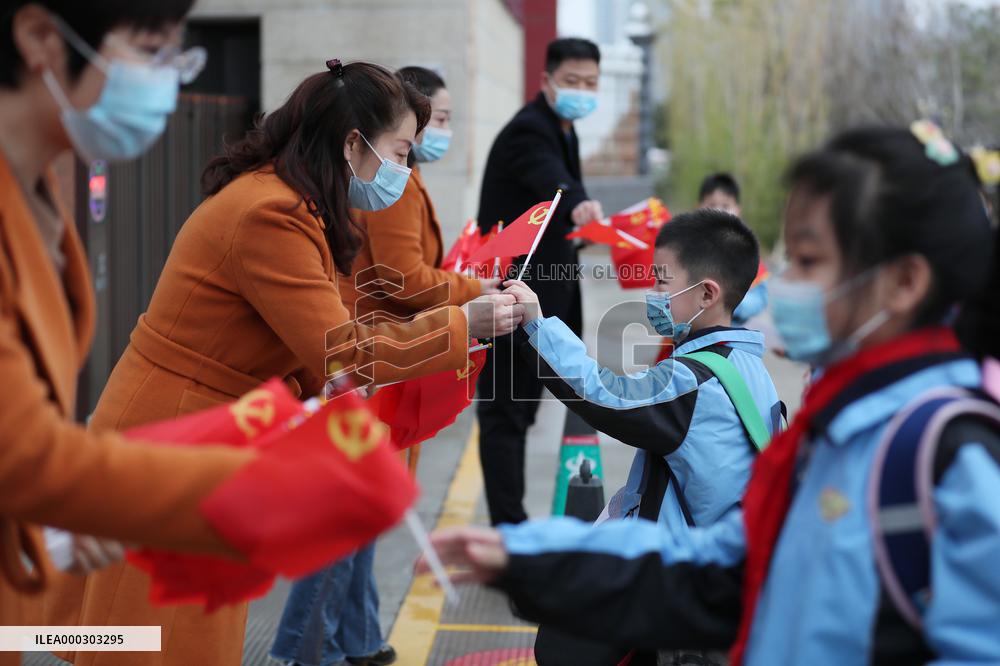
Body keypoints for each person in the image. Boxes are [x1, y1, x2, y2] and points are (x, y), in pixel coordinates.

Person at [419, 125, 1000, 664]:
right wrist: (539, 559)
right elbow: (733, 564)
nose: (785, 283)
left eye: (808, 261)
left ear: (904, 283)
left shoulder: (955, 457)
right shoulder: (839, 422)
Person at [59, 62, 521, 666]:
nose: (404, 172)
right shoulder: (271, 214)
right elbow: (344, 348)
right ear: (352, 143)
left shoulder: (291, 201)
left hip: (204, 427)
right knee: (157, 639)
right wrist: (465, 324)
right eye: (400, 152)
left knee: (174, 630)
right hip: (177, 429)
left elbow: (320, 341)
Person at [0, 2, 399, 664]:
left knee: (135, 642)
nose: (167, 80)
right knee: (147, 646)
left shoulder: (36, 191)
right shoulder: (268, 210)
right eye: (152, 51)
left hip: (153, 461)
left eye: (178, 57)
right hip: (173, 439)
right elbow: (27, 453)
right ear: (43, 39)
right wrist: (261, 490)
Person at [272, 66, 497, 666]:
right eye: (427, 125)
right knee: (349, 517)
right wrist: (473, 298)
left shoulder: (374, 183)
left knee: (362, 513)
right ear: (363, 138)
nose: (432, 135)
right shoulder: (282, 210)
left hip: (372, 358)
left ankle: (358, 637)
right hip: (369, 361)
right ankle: (303, 649)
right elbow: (399, 280)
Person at [502, 210, 780, 664]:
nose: (653, 294)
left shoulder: (696, 383)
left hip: (679, 576)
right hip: (718, 573)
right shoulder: (747, 366)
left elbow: (604, 394)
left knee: (562, 646)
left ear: (707, 293)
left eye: (663, 283)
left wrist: (536, 323)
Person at [476, 37, 606, 526]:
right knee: (505, 415)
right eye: (571, 81)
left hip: (535, 301)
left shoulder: (563, 128)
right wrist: (577, 203)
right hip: (508, 299)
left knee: (521, 413)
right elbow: (552, 180)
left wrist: (581, 223)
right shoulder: (529, 130)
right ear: (546, 81)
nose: (581, 90)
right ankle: (508, 535)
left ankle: (512, 530)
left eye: (590, 83)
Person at [697, 173, 768, 327]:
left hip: (729, 334)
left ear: (737, 210)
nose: (718, 211)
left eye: (725, 206)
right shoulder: (688, 246)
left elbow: (759, 297)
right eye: (711, 204)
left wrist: (728, 301)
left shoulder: (745, 250)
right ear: (699, 207)